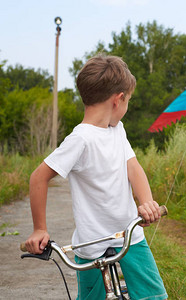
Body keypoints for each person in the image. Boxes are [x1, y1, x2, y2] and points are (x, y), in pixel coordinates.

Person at [25, 54, 168, 300]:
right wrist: (40, 229)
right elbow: (38, 178)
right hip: (90, 243)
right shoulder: (80, 140)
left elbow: (133, 167)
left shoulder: (117, 130)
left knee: (152, 296)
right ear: (119, 99)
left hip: (129, 234)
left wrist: (146, 202)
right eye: (128, 101)